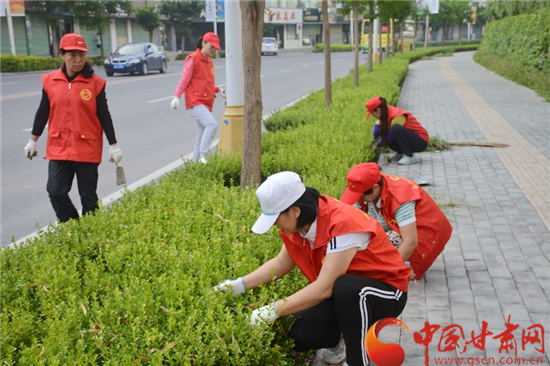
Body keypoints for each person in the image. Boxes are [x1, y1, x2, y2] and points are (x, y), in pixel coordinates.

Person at [215, 172, 411, 365]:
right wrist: (238, 285)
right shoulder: (297, 226)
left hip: (387, 291)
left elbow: (325, 287)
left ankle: (357, 360)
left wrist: (271, 310)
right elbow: (281, 263)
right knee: (302, 334)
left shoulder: (342, 224)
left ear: (295, 211)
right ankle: (342, 337)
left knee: (347, 287)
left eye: (276, 218)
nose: (275, 225)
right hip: (343, 293)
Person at [24, 33, 123, 223]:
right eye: (72, 55)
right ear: (62, 55)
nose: (78, 60)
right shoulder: (50, 81)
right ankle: (74, 228)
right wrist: (33, 140)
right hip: (58, 147)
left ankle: (91, 236)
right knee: (55, 191)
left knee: (88, 198)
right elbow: (43, 111)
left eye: (82, 55)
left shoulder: (95, 83)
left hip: (87, 147)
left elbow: (104, 115)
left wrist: (114, 144)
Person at [340, 163, 452, 280]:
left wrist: (388, 272)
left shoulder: (400, 197)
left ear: (375, 188)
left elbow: (410, 242)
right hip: (394, 226)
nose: (358, 198)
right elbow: (348, 218)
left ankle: (400, 265)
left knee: (384, 249)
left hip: (425, 232)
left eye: (359, 195)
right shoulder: (368, 189)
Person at [170, 32, 226, 163]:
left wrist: (219, 90)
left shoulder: (209, 62)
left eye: (215, 48)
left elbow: (206, 83)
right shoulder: (193, 58)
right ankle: (203, 156)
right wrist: (176, 96)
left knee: (200, 138)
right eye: (211, 47)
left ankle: (194, 165)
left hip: (205, 103)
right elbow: (185, 79)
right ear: (203, 43)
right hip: (195, 102)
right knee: (212, 125)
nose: (213, 50)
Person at [366, 96, 429, 165]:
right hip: (411, 139)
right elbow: (376, 132)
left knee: (394, 129)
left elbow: (390, 137)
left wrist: (376, 144)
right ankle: (400, 153)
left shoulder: (396, 115)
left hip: (421, 141)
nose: (373, 116)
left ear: (378, 110)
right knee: (388, 133)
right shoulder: (384, 112)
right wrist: (376, 128)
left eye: (372, 114)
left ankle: (410, 156)